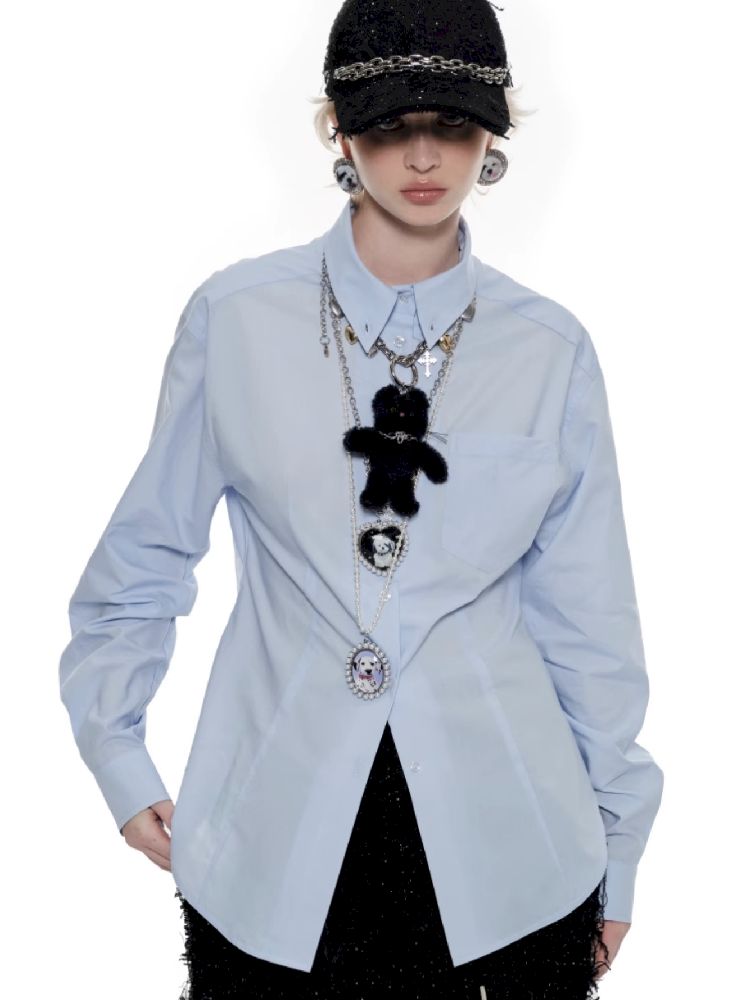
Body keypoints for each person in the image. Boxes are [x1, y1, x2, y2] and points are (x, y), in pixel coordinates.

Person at [58, 2, 664, 997]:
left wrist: (621, 844)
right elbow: (145, 558)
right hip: (274, 854)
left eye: (454, 124)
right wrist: (118, 755)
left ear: (494, 134)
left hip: (512, 860)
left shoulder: (548, 350)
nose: (423, 157)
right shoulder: (236, 321)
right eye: (389, 126)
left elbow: (590, 622)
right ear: (338, 130)